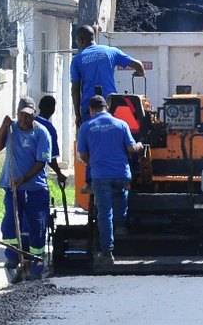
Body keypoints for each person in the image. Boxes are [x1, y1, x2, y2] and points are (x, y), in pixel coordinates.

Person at [0, 97, 54, 283]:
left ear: (33, 114)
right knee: (10, 222)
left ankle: (36, 261)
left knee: (37, 225)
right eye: (22, 115)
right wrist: (3, 127)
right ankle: (13, 257)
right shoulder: (11, 129)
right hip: (13, 187)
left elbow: (41, 161)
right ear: (17, 113)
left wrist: (24, 178)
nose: (25, 119)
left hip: (35, 188)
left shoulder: (41, 133)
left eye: (29, 115)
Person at [77, 94, 139, 269]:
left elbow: (82, 155)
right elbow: (131, 148)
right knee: (121, 191)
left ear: (91, 110)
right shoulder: (121, 124)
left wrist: (93, 163)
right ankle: (121, 224)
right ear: (107, 108)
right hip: (121, 174)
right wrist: (140, 145)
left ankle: (107, 252)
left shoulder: (86, 127)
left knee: (104, 212)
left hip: (100, 175)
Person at [69, 25, 145, 121]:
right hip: (110, 105)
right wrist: (139, 73)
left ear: (81, 40)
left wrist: (77, 115)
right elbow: (139, 66)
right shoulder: (111, 51)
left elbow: (75, 89)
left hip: (89, 109)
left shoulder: (77, 60)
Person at [35, 94, 68, 193]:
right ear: (53, 110)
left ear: (39, 106)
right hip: (38, 176)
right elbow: (50, 156)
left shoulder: (29, 122)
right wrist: (59, 173)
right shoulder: (49, 129)